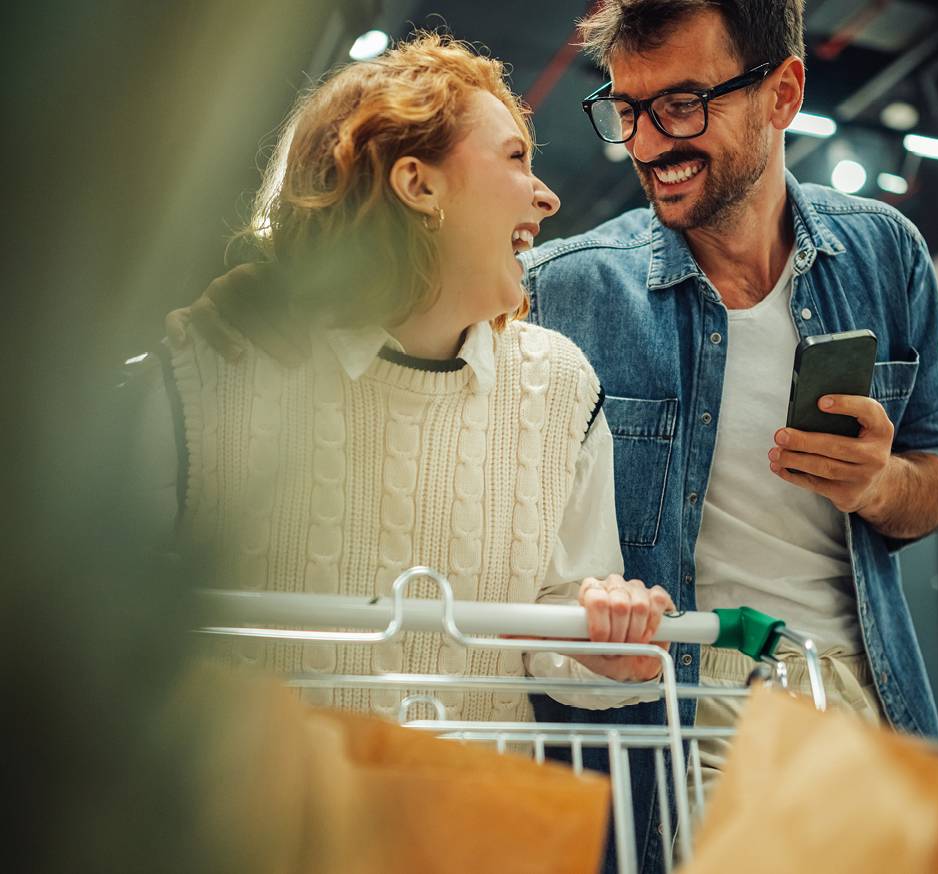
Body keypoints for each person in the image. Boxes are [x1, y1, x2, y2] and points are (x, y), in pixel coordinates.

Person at [173, 3, 938, 869]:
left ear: (782, 94)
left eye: (680, 104)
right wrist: (274, 296)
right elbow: (417, 316)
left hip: (869, 709)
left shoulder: (883, 256)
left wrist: (880, 485)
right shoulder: (569, 288)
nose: (643, 143)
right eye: (625, 109)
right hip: (683, 746)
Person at [143, 32, 675, 724]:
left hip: (470, 821)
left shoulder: (562, 388)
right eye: (515, 158)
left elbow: (554, 632)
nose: (545, 198)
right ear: (418, 184)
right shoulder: (212, 367)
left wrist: (606, 648)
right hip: (254, 822)